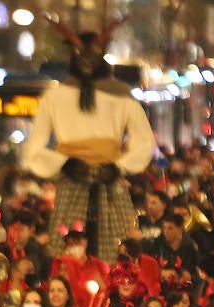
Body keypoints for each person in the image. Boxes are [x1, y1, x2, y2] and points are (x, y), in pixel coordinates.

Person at [21, 23, 155, 262]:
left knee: (119, 253)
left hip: (110, 181)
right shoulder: (54, 97)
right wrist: (65, 163)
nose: (87, 63)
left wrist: (118, 166)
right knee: (68, 254)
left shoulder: (122, 96)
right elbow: (34, 149)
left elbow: (144, 142)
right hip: (73, 182)